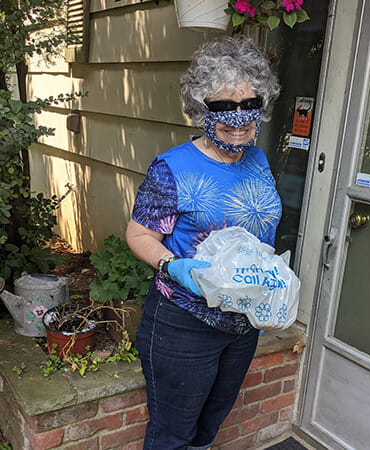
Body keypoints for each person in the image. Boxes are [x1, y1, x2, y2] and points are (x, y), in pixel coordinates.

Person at [126, 35, 281, 450]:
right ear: (199, 110)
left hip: (243, 322)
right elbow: (139, 233)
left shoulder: (259, 160)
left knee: (209, 427)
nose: (239, 116)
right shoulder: (172, 168)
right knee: (172, 436)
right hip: (184, 321)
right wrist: (172, 265)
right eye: (223, 106)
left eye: (249, 103)